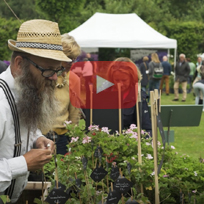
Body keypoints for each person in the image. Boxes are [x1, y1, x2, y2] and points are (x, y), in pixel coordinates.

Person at [0, 19, 71, 203]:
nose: (54, 78)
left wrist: (36, 138)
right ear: (19, 64)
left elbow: (18, 127)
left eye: (57, 70)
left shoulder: (24, 92)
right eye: (47, 70)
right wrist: (24, 163)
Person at [43, 34, 81, 155]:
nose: (71, 62)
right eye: (67, 58)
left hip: (62, 139)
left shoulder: (74, 79)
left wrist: (73, 141)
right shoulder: (43, 75)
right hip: (40, 137)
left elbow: (74, 113)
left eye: (73, 58)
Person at [107, 57, 152, 135]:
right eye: (116, 80)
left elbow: (146, 129)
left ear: (132, 79)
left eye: (124, 80)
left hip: (129, 142)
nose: (120, 84)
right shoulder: (105, 95)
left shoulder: (139, 97)